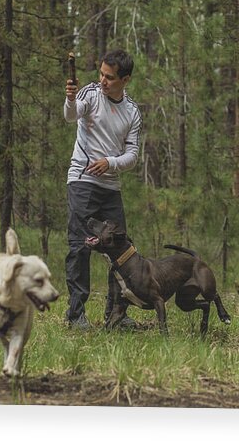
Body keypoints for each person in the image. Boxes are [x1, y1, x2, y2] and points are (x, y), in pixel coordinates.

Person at [63, 49, 142, 330]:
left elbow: (133, 156)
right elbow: (72, 116)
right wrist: (70, 98)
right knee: (79, 247)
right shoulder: (89, 94)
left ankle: (116, 314)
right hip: (82, 181)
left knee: (121, 251)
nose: (103, 81)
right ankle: (75, 315)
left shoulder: (132, 111)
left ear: (125, 79)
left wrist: (110, 163)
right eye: (101, 74)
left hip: (111, 186)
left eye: (109, 77)